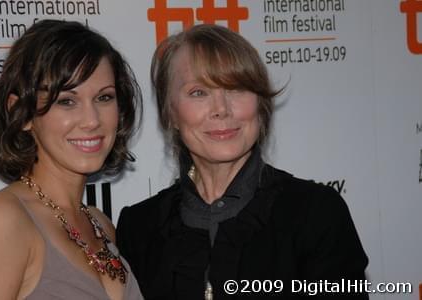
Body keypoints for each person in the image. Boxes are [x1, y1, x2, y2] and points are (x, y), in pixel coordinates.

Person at [116, 24, 369, 299]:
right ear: (171, 114)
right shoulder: (139, 227)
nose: (221, 109)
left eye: (236, 88)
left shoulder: (316, 213)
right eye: (198, 92)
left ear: (260, 104)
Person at [0, 20, 143, 300]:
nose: (92, 120)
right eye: (67, 101)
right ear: (23, 113)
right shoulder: (0, 221)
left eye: (104, 97)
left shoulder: (101, 225)